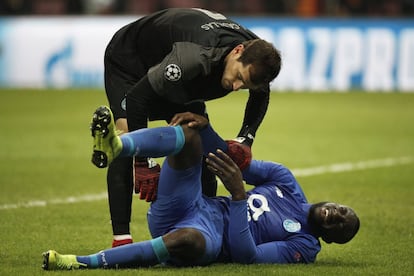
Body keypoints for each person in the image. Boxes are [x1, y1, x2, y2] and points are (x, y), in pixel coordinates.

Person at [42, 106, 359, 270]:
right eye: (344, 211)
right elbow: (230, 160)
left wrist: (238, 197)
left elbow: (246, 256)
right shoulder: (286, 183)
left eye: (340, 227)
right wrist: (207, 129)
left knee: (187, 238)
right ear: (336, 201)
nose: (337, 217)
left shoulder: (303, 245)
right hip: (191, 205)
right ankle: (116, 146)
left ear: (330, 238)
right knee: (189, 135)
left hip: (207, 239)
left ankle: (81, 262)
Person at [102, 7, 282, 247]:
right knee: (126, 140)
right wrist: (143, 161)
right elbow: (137, 99)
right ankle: (121, 240)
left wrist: (244, 140)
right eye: (239, 76)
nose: (237, 87)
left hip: (177, 68)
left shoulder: (257, 58)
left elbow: (261, 94)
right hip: (131, 61)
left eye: (245, 84)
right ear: (238, 51)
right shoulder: (194, 56)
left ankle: (207, 225)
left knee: (200, 142)